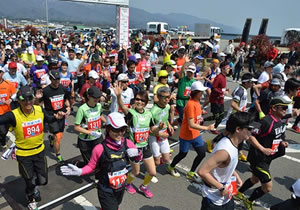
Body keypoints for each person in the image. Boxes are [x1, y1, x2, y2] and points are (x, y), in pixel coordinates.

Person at [0, 86, 64, 209]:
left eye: (30, 98)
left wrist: (57, 117)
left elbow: (49, 118)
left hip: (39, 151)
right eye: (24, 99)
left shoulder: (39, 110)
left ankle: (34, 185)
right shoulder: (13, 115)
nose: (28, 102)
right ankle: (31, 199)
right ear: (18, 100)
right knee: (29, 179)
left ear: (33, 98)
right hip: (24, 155)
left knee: (43, 180)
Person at [61, 112, 141, 210]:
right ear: (108, 129)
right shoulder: (99, 148)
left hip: (120, 187)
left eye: (122, 129)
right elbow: (91, 166)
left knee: (116, 205)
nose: (120, 133)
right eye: (116, 129)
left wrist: (137, 158)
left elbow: (136, 167)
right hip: (105, 189)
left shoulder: (128, 144)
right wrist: (80, 171)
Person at [235, 96, 291, 210]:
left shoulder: (280, 122)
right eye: (283, 107)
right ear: (274, 108)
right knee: (268, 187)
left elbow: (278, 135)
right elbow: (250, 136)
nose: (286, 109)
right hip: (258, 158)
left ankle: (239, 193)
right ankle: (248, 200)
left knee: (255, 179)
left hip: (267, 158)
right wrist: (262, 149)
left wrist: (282, 142)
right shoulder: (265, 121)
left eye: (287, 107)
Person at [198, 112, 256, 210]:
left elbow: (225, 164)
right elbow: (202, 171)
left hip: (226, 195)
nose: (252, 131)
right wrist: (221, 187)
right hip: (213, 200)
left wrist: (235, 175)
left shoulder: (235, 144)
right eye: (249, 128)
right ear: (238, 129)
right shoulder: (224, 151)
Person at [115, 84, 163, 198]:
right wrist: (118, 96)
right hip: (134, 149)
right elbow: (122, 106)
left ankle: (144, 186)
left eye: (142, 100)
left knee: (152, 172)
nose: (139, 102)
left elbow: (153, 130)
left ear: (146, 102)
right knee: (135, 172)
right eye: (137, 99)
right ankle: (128, 183)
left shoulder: (148, 114)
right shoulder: (131, 113)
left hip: (145, 146)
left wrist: (159, 128)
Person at [168, 81, 214, 182]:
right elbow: (191, 124)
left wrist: (201, 119)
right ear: (195, 92)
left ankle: (191, 172)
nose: (202, 94)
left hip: (195, 134)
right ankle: (171, 167)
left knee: (202, 153)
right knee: (183, 154)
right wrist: (207, 128)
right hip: (186, 135)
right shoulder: (190, 104)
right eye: (201, 92)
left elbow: (196, 119)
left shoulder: (197, 102)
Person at [37, 70, 71, 162]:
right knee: (58, 137)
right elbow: (38, 105)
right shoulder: (45, 91)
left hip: (62, 115)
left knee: (60, 135)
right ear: (50, 79)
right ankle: (58, 155)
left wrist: (68, 107)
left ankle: (51, 139)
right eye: (55, 80)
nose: (57, 82)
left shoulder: (62, 88)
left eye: (58, 79)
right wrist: (37, 98)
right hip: (52, 116)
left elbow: (67, 99)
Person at [225, 73, 257, 160]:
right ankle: (213, 143)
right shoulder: (241, 90)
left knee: (238, 134)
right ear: (246, 83)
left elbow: (233, 94)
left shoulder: (241, 89)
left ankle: (239, 152)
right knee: (229, 133)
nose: (252, 84)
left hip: (238, 115)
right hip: (235, 116)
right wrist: (241, 111)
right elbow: (233, 103)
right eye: (251, 82)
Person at [74, 86, 106, 165]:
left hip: (98, 138)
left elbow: (100, 115)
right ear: (88, 96)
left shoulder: (98, 106)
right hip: (85, 141)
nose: (97, 100)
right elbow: (76, 127)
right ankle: (78, 164)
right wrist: (89, 132)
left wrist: (108, 122)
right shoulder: (82, 109)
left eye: (98, 97)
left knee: (101, 159)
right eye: (94, 97)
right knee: (90, 163)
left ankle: (98, 177)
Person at [149, 87, 174, 168]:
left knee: (166, 159)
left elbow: (165, 119)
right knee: (157, 161)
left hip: (163, 135)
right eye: (164, 97)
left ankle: (150, 161)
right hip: (154, 136)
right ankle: (150, 171)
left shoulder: (167, 107)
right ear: (159, 97)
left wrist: (169, 125)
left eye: (168, 97)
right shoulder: (153, 111)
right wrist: (159, 133)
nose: (167, 99)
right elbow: (149, 129)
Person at [204, 62, 230, 134]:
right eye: (227, 68)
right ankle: (204, 120)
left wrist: (226, 90)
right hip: (215, 100)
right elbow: (214, 88)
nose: (229, 69)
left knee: (221, 116)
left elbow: (220, 88)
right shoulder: (219, 77)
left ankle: (213, 127)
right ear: (223, 69)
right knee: (217, 116)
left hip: (220, 99)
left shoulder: (224, 77)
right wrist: (222, 92)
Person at [0, 67, 16, 149]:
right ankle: (3, 142)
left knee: (6, 129)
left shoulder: (8, 83)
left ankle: (2, 137)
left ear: (2, 73)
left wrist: (11, 99)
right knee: (2, 131)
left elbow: (15, 93)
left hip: (7, 111)